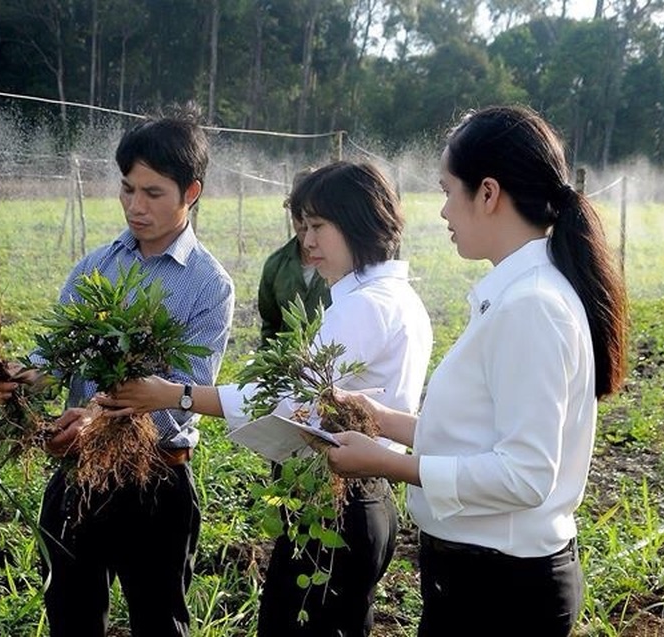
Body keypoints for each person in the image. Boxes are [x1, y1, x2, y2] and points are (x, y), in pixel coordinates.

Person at [325, 105, 629, 636]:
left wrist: (388, 463)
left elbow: (524, 475)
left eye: (448, 191)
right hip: (485, 580)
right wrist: (384, 419)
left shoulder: (531, 306)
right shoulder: (519, 295)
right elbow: (483, 438)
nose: (443, 210)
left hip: (500, 593)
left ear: (488, 193)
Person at [99, 161, 433, 636]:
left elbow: (291, 401)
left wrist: (177, 395)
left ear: (358, 223)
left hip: (337, 506)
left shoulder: (365, 306)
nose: (307, 241)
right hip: (362, 500)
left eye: (318, 226)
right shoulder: (394, 296)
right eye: (302, 226)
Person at [0, 116, 235, 637]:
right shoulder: (95, 266)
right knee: (71, 615)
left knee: (158, 621)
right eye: (127, 189)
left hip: (156, 479)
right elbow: (55, 358)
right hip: (78, 475)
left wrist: (97, 422)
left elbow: (181, 395)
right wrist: (23, 379)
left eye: (152, 193)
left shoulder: (209, 285)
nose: (135, 206)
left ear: (190, 193)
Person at [257, 168, 332, 347]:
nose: (305, 223)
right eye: (299, 213)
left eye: (314, 216)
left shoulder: (343, 266)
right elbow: (270, 329)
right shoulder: (276, 266)